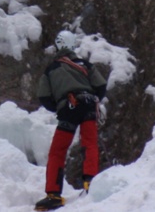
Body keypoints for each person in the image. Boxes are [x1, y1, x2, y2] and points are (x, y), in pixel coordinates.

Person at [34, 30, 107, 211]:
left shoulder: (52, 69)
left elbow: (43, 96)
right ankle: (90, 182)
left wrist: (58, 106)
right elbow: (100, 85)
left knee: (57, 151)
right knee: (89, 143)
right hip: (89, 104)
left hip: (68, 107)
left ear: (58, 45)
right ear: (73, 45)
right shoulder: (85, 64)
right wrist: (93, 99)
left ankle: (53, 194)